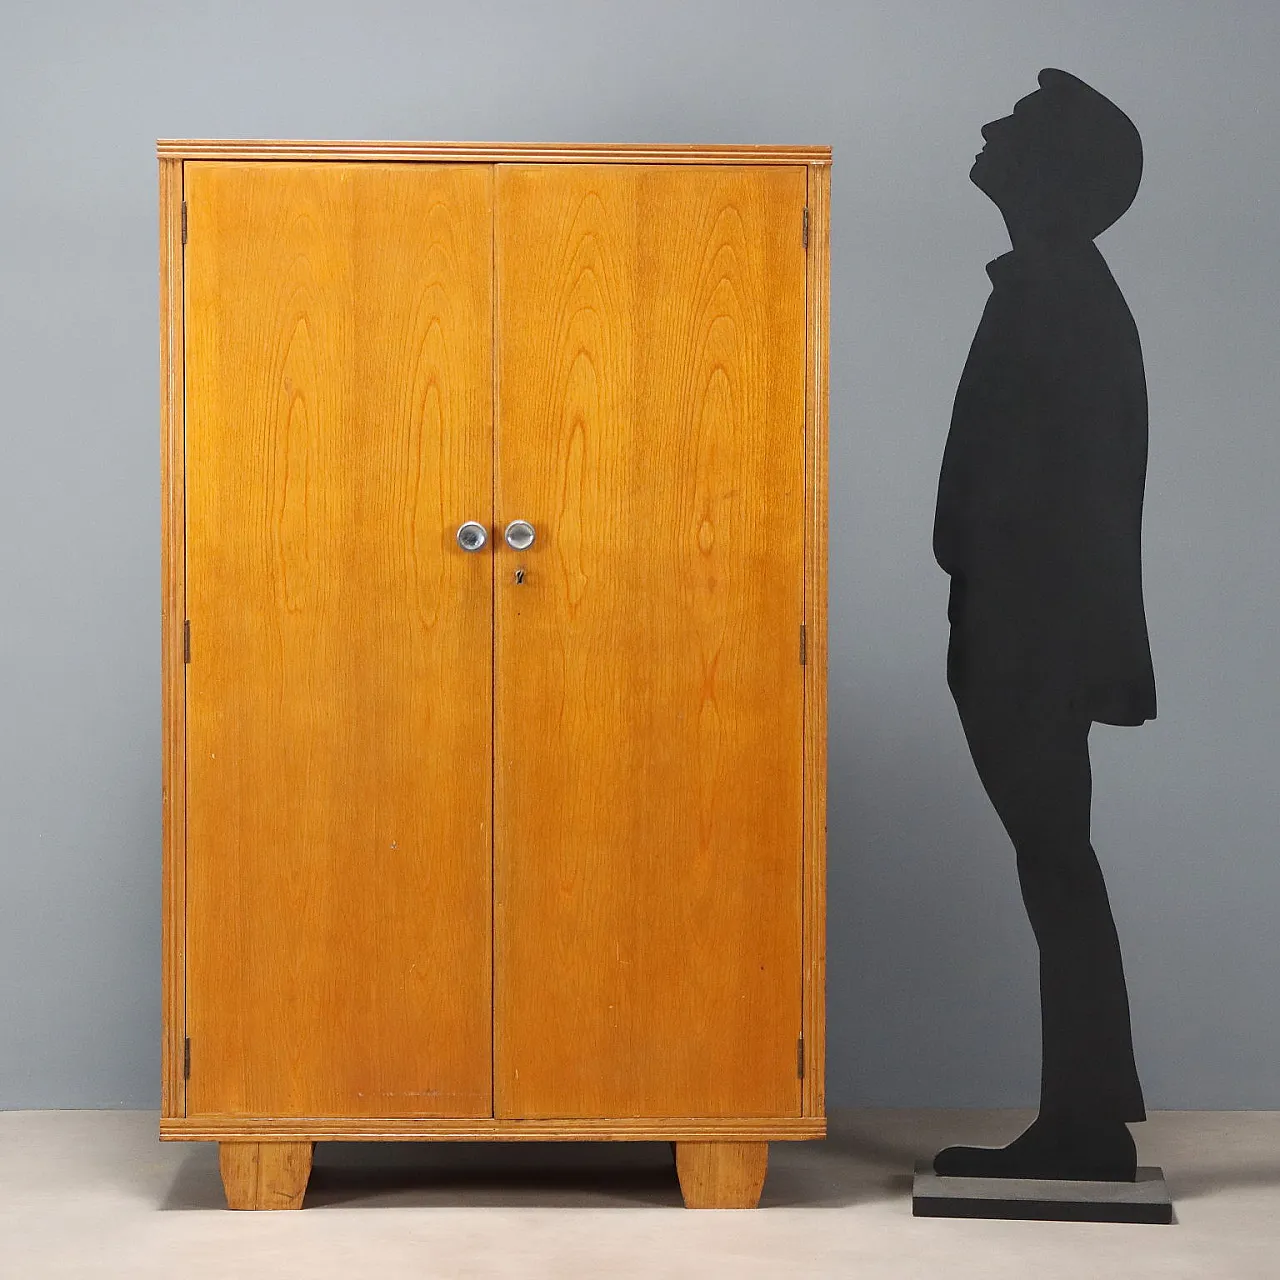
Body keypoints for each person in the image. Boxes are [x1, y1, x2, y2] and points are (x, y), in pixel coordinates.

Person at [931, 68, 1155, 1181]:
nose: (986, 127)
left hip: (1031, 635)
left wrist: (1029, 636)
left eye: (1014, 123)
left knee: (1055, 863)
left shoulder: (1056, 294)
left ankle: (1084, 1122)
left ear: (1051, 170)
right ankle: (1085, 1114)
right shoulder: (1054, 287)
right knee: (1055, 862)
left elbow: (1069, 496)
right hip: (1025, 628)